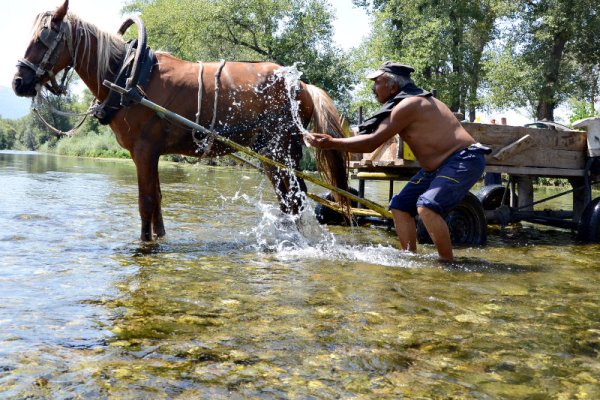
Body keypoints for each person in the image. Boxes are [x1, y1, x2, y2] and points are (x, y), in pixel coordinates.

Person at [305, 61, 490, 261]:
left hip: (464, 159)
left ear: (393, 86)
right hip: (438, 167)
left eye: (377, 82)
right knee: (400, 205)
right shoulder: (406, 102)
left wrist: (331, 143)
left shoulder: (410, 104)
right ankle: (409, 258)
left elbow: (371, 143)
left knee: (427, 206)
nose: (373, 88)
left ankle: (447, 265)